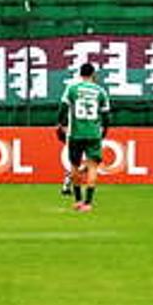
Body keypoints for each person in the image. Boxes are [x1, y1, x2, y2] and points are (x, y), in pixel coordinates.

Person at [58, 62, 111, 212]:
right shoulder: (100, 91)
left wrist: (61, 124)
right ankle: (88, 203)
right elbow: (106, 115)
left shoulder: (72, 89)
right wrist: (104, 130)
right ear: (93, 74)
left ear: (80, 74)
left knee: (74, 166)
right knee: (93, 166)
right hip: (93, 133)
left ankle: (77, 201)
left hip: (75, 133)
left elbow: (62, 108)